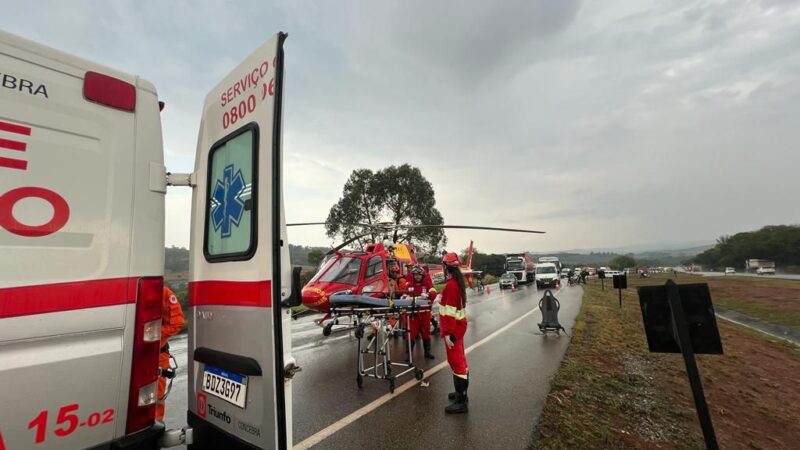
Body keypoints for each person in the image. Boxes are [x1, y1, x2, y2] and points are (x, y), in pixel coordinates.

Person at [439, 252, 469, 414]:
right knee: (460, 361)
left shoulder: (451, 286)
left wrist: (447, 334)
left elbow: (449, 313)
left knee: (457, 363)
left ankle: (461, 401)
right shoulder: (456, 283)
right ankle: (460, 393)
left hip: (453, 330)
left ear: (446, 267)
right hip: (458, 328)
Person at [157, 286, 185, 422]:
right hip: (128, 355)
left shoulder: (163, 292)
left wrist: (151, 333)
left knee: (155, 399)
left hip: (156, 356)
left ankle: (154, 431)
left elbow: (177, 323)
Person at [406, 265, 436, 359]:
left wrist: (428, 295)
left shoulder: (427, 284)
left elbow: (433, 294)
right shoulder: (409, 285)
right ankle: (409, 355)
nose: (417, 276)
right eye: (415, 275)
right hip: (413, 314)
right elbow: (403, 295)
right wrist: (405, 297)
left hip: (424, 313)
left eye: (419, 275)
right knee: (411, 333)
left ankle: (427, 352)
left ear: (422, 275)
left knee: (426, 332)